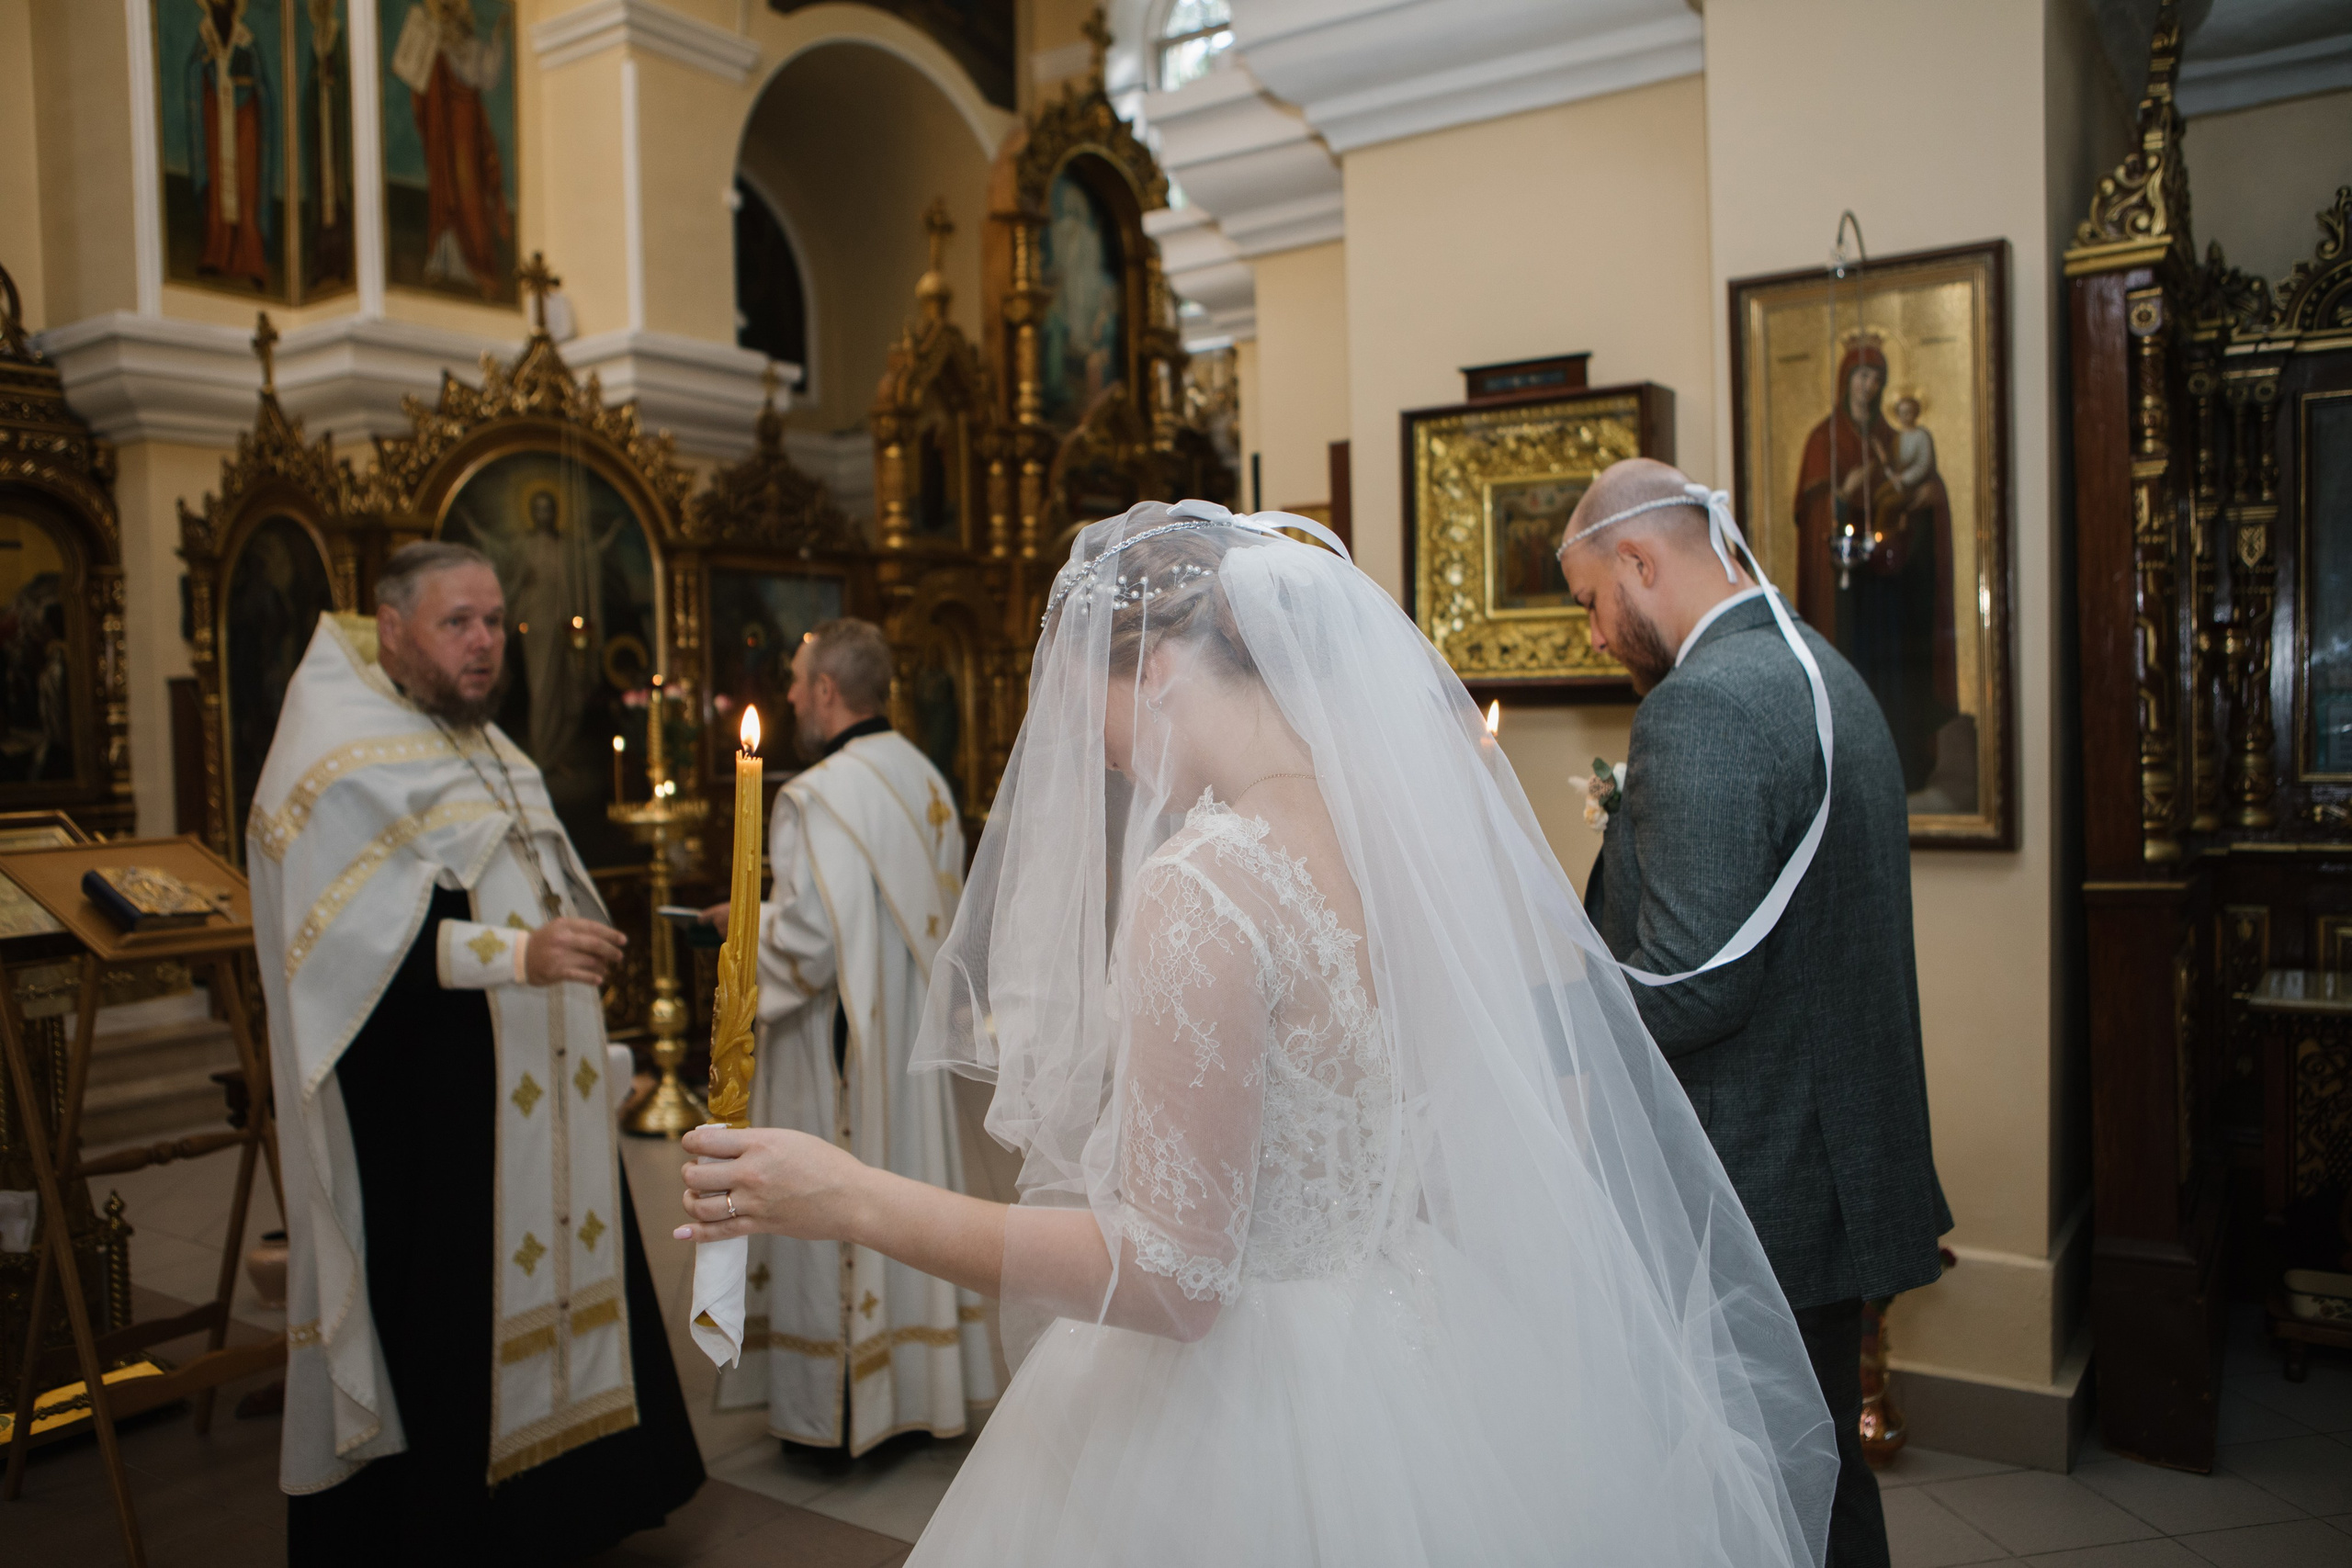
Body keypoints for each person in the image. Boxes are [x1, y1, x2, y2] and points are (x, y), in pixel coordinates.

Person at [674, 501, 1838, 1566]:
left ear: (1168, 669)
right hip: (1420, 1351)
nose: (1103, 756)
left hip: (1243, 1415)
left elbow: (1180, 1279)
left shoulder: (1209, 886)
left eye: (1101, 714)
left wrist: (852, 1200)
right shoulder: (1399, 852)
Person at [252, 541, 702, 1565]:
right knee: (452, 1316)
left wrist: (567, 950)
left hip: (537, 1078)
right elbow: (349, 953)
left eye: (496, 621)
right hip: (431, 1094)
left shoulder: (490, 748)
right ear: (393, 624)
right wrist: (523, 952)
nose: (485, 642)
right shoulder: (335, 752)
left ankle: (571, 1506)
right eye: (459, 622)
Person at [1559, 458, 1951, 1568]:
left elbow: (1694, 984)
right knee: (1812, 1480)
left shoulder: (1706, 705)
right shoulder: (1815, 664)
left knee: (1761, 1499)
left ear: (1640, 561)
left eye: (1593, 599)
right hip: (1828, 1157)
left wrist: (1515, 1015)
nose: (1593, 635)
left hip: (1756, 1177)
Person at [697, 617, 996, 1453]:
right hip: (906, 1038)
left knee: (838, 1199)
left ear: (826, 690)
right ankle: (913, 1389)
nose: (790, 693)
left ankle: (835, 1410)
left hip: (840, 1055)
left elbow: (809, 943)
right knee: (911, 1196)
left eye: (797, 681)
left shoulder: (819, 793)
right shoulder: (922, 776)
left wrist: (739, 939)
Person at [1792, 344, 1956, 792]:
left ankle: (1902, 762)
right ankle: (1848, 777)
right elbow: (1811, 509)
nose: (1870, 386)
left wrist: (1928, 498)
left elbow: (1923, 482)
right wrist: (1842, 493)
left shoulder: (1893, 437)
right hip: (1846, 589)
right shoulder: (1823, 439)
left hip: (1890, 585)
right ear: (1846, 381)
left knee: (1892, 677)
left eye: (1876, 378)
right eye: (1861, 376)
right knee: (1853, 672)